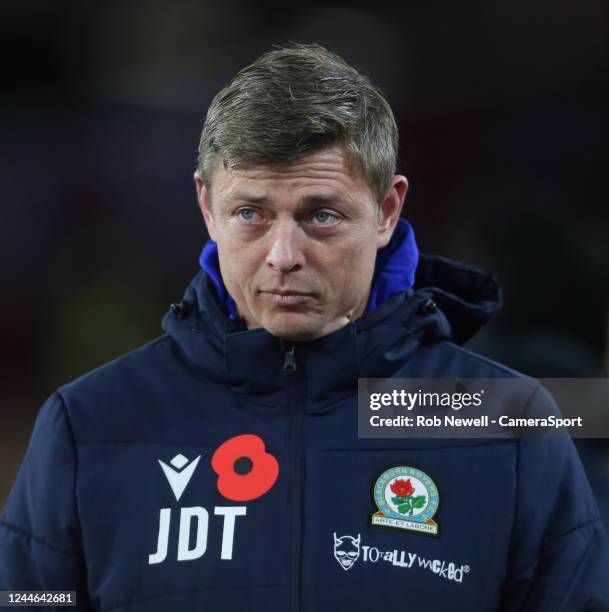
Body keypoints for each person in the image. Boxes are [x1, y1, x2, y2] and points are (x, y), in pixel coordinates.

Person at [1, 43, 608, 612]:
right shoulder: (89, 425)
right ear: (207, 208)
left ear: (387, 211)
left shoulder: (509, 422)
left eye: (321, 214)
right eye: (250, 214)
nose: (283, 254)